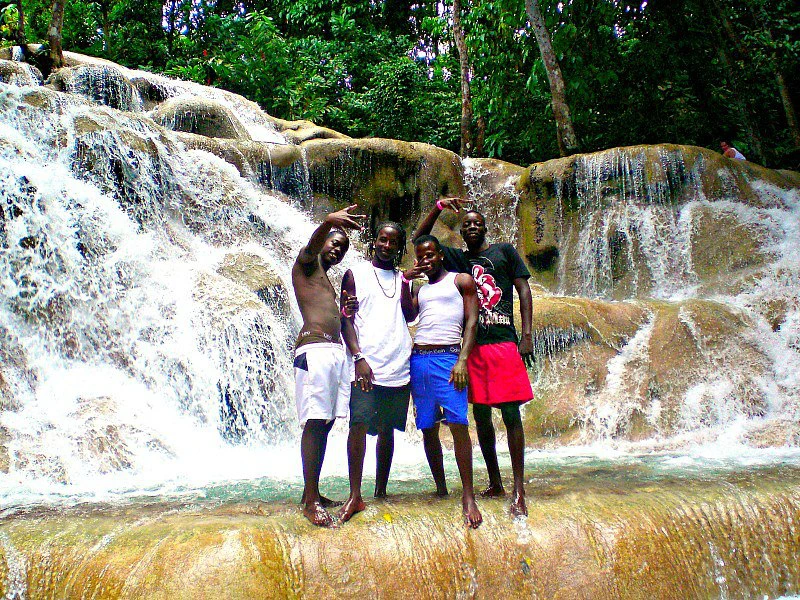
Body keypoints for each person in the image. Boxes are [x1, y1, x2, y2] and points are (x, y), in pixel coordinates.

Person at [413, 199, 534, 517]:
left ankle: (519, 490)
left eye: (476, 223)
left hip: (504, 343)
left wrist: (528, 335)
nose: (471, 227)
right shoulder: (456, 259)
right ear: (462, 231)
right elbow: (420, 239)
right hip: (472, 350)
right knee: (480, 418)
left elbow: (523, 291)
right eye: (466, 224)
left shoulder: (505, 251)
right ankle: (496, 482)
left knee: (510, 416)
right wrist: (438, 207)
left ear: (485, 227)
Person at [401, 234, 482, 528]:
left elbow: (472, 321)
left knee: (459, 424)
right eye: (421, 256)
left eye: (430, 254)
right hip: (419, 359)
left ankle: (468, 496)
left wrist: (463, 359)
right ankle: (441, 487)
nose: (426, 260)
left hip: (449, 358)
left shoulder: (461, 280)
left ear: (441, 254)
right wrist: (405, 281)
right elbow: (408, 315)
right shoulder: (420, 290)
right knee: (427, 427)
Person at [337, 221, 416, 523]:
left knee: (387, 430)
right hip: (366, 366)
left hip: (398, 364)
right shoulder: (354, 274)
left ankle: (381, 490)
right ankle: (355, 494)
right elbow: (346, 319)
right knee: (358, 424)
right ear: (375, 242)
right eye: (382, 240)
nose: (386, 245)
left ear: (399, 247)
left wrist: (408, 285)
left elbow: (410, 316)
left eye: (392, 242)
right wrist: (358, 357)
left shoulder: (401, 278)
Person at [292, 205, 365, 527]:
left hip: (333, 352)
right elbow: (310, 248)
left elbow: (331, 314)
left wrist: (345, 311)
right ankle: (309, 501)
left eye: (343, 248)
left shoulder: (325, 279)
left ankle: (314, 492)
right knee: (315, 420)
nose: (337, 249)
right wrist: (327, 223)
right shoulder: (306, 264)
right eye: (334, 242)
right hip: (315, 349)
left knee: (325, 422)